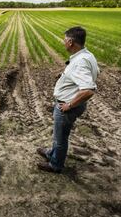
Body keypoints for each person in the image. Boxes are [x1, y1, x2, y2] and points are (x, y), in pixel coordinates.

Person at [36, 26, 99, 173]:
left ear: (70, 42)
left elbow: (89, 90)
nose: (63, 42)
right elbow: (95, 72)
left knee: (61, 138)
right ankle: (51, 153)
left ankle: (55, 165)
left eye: (65, 40)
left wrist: (69, 105)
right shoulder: (87, 55)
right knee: (59, 135)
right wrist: (65, 76)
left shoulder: (80, 62)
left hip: (67, 107)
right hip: (72, 103)